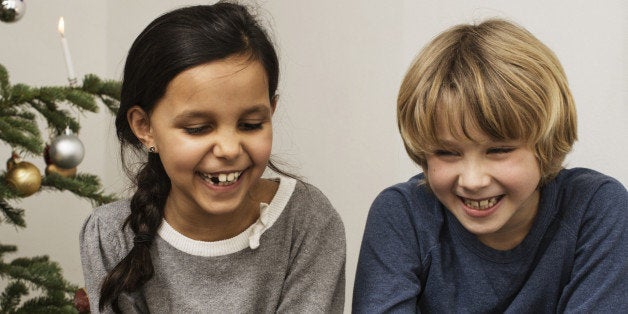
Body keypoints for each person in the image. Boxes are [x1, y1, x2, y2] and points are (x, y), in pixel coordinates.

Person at [79, 2, 345, 313]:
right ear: (145, 127)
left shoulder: (307, 222)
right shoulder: (110, 235)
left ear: (271, 112)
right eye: (198, 128)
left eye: (250, 125)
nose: (229, 149)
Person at [353, 19, 627, 313]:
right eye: (447, 153)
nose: (472, 180)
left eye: (498, 150)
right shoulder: (401, 215)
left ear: (545, 145)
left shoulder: (596, 207)